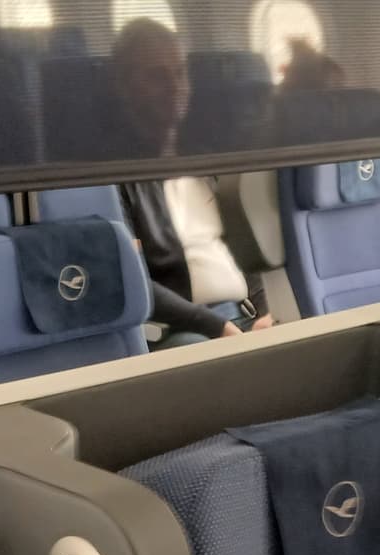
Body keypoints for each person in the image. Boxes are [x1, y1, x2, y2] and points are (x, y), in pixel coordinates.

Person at [108, 19, 276, 345]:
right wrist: (217, 327)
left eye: (180, 73)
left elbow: (243, 248)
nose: (175, 86)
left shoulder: (205, 160)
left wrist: (265, 313)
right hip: (180, 328)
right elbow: (132, 278)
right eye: (157, 76)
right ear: (125, 86)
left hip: (243, 315)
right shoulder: (115, 178)